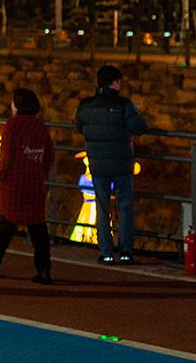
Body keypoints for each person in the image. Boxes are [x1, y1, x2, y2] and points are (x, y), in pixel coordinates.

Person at [0, 88, 56, 284]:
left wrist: (0, 175)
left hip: (14, 183)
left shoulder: (12, 126)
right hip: (34, 184)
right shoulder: (41, 127)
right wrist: (41, 174)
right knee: (38, 229)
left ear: (17, 106)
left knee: (4, 225)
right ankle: (44, 269)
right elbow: (49, 156)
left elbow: (6, 156)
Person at [75, 64, 148, 265]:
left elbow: (79, 125)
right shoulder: (124, 105)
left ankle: (106, 251)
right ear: (115, 83)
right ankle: (125, 251)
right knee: (125, 207)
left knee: (102, 206)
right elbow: (140, 127)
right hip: (121, 163)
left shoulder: (86, 105)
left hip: (97, 164)